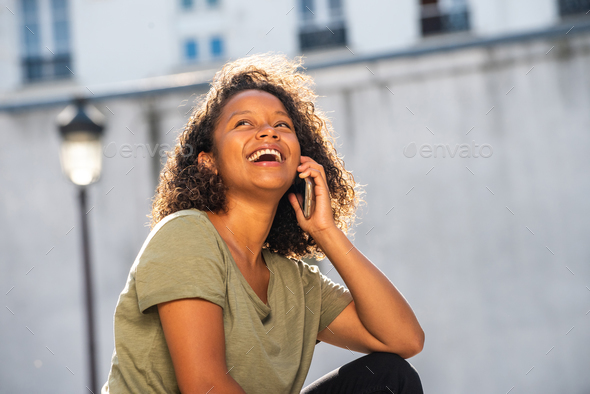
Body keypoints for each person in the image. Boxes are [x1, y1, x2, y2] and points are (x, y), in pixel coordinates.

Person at [101, 54, 425, 394]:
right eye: (244, 124)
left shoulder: (295, 282)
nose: (268, 131)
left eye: (282, 125)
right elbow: (205, 386)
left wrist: (326, 233)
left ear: (301, 159)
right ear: (208, 163)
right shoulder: (186, 234)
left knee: (388, 377)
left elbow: (404, 340)